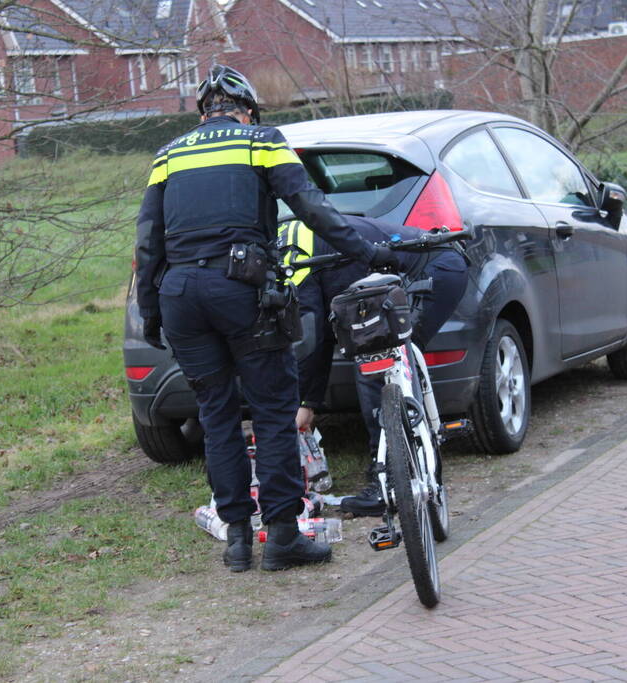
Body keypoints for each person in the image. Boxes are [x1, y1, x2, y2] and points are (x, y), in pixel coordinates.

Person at [134, 65, 398, 572]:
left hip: (181, 295)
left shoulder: (168, 155)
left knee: (216, 415)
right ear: (248, 110)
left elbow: (148, 241)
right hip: (240, 289)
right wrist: (366, 253)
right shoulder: (261, 141)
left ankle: (237, 539)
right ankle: (281, 536)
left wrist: (150, 310)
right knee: (274, 411)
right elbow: (312, 208)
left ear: (202, 112)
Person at [280, 215, 469, 516]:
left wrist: (306, 402)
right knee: (381, 360)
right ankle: (401, 467)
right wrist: (309, 400)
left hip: (436, 270)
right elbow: (323, 333)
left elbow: (312, 336)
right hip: (431, 270)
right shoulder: (293, 237)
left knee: (377, 362)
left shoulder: (293, 252)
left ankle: (392, 480)